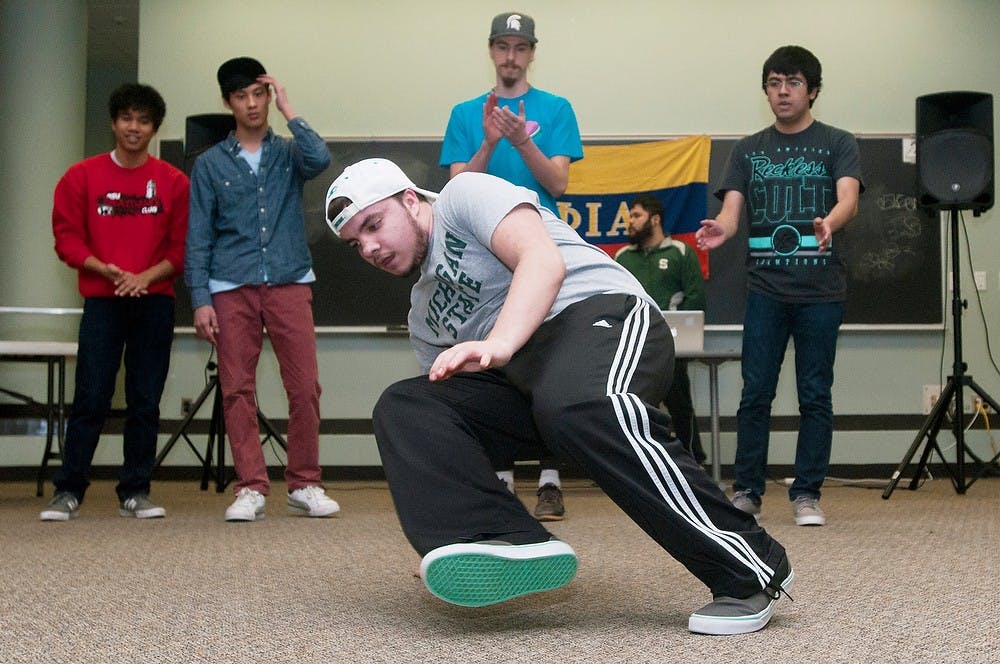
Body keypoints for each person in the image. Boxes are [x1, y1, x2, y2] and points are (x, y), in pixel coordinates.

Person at [324, 158, 793, 635]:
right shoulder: (423, 316)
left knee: (576, 404)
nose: (369, 247)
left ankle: (750, 568)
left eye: (373, 224)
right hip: (530, 381)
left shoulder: (463, 197)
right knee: (406, 406)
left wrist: (499, 344)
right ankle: (499, 539)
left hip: (601, 317)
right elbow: (452, 428)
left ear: (409, 201)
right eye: (354, 243)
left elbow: (543, 261)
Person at [696, 46, 863, 527]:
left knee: (815, 393)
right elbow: (731, 212)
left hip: (821, 291)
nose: (782, 91)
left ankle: (807, 494)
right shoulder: (748, 149)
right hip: (766, 288)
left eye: (792, 83)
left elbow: (849, 199)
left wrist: (829, 222)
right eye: (774, 82)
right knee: (755, 392)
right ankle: (747, 490)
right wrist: (721, 230)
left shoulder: (837, 142)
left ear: (812, 91)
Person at [439, 11, 584, 520]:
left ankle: (549, 479)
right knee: (488, 357)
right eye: (502, 46)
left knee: (545, 358)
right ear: (491, 50)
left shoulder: (556, 108)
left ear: (532, 52)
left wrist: (523, 138)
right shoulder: (465, 112)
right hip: (480, 256)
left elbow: (560, 184)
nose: (510, 56)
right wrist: (490, 140)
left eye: (520, 47)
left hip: (538, 246)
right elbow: (456, 188)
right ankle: (498, 478)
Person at [185, 57, 339, 522]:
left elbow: (321, 159)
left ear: (268, 96)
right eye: (241, 97)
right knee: (236, 389)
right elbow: (198, 237)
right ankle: (250, 486)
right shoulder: (210, 165)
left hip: (290, 280)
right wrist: (200, 300)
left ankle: (305, 482)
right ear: (228, 102)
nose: (252, 105)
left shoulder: (289, 154)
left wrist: (291, 110)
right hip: (231, 285)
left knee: (306, 387)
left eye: (259, 94)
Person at [42, 83, 189, 521]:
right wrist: (106, 270)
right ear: (113, 122)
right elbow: (66, 239)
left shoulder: (173, 182)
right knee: (91, 397)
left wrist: (144, 276)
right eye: (127, 118)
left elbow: (181, 250)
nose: (134, 127)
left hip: (155, 302)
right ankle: (68, 491)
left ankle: (135, 491)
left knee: (145, 400)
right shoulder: (80, 176)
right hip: (103, 303)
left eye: (144, 121)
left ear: (153, 128)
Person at [615, 195, 707, 465]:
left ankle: (693, 462)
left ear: (655, 219)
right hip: (635, 345)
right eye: (630, 216)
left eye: (636, 216)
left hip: (673, 346)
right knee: (635, 407)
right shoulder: (622, 257)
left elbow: (695, 298)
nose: (630, 222)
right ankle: (639, 465)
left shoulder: (680, 252)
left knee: (680, 405)